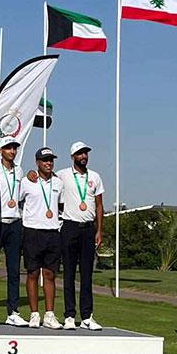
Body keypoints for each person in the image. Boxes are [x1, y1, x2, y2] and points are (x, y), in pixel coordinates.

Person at [56, 141, 105, 330]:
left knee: (87, 274)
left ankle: (87, 316)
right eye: (79, 153)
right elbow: (44, 179)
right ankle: (69, 315)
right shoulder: (62, 175)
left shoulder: (95, 177)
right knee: (68, 272)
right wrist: (32, 174)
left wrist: (99, 230)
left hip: (88, 229)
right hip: (69, 227)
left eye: (85, 153)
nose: (83, 156)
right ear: (72, 157)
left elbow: (99, 205)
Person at [0, 137, 29, 327]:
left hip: (15, 223)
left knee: (14, 271)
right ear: (1, 150)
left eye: (14, 148)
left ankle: (13, 311)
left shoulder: (19, 171)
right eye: (8, 148)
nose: (12, 151)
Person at [18, 147, 64, 329]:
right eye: (45, 160)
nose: (48, 163)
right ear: (37, 162)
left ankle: (50, 315)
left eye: (51, 160)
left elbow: (61, 206)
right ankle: (34, 314)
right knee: (33, 273)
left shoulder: (59, 183)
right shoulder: (27, 181)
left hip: (52, 232)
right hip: (32, 232)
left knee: (50, 274)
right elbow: (18, 201)